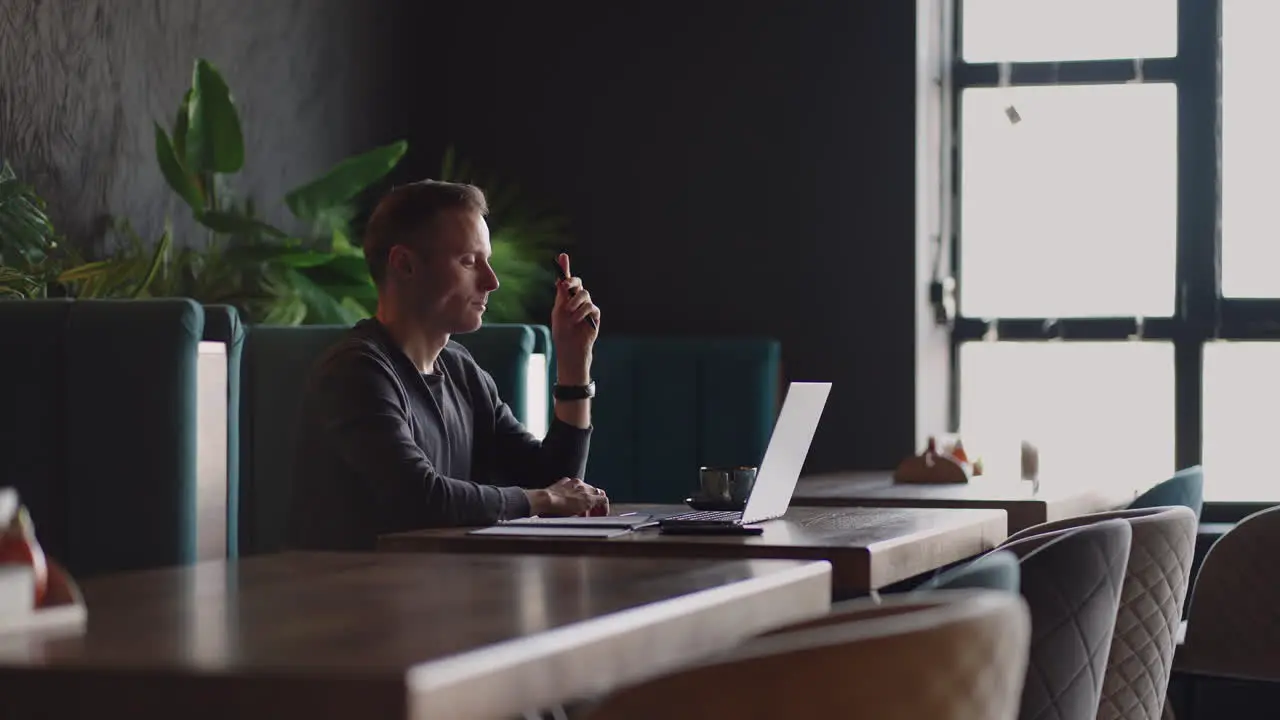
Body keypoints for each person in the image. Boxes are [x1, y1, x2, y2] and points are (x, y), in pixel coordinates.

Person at [287, 179, 608, 551]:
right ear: (404, 264)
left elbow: (557, 480)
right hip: (344, 601)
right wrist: (543, 500)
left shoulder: (460, 370)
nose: (492, 281)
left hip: (435, 593)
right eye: (469, 261)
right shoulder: (354, 372)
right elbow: (422, 498)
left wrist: (573, 361)